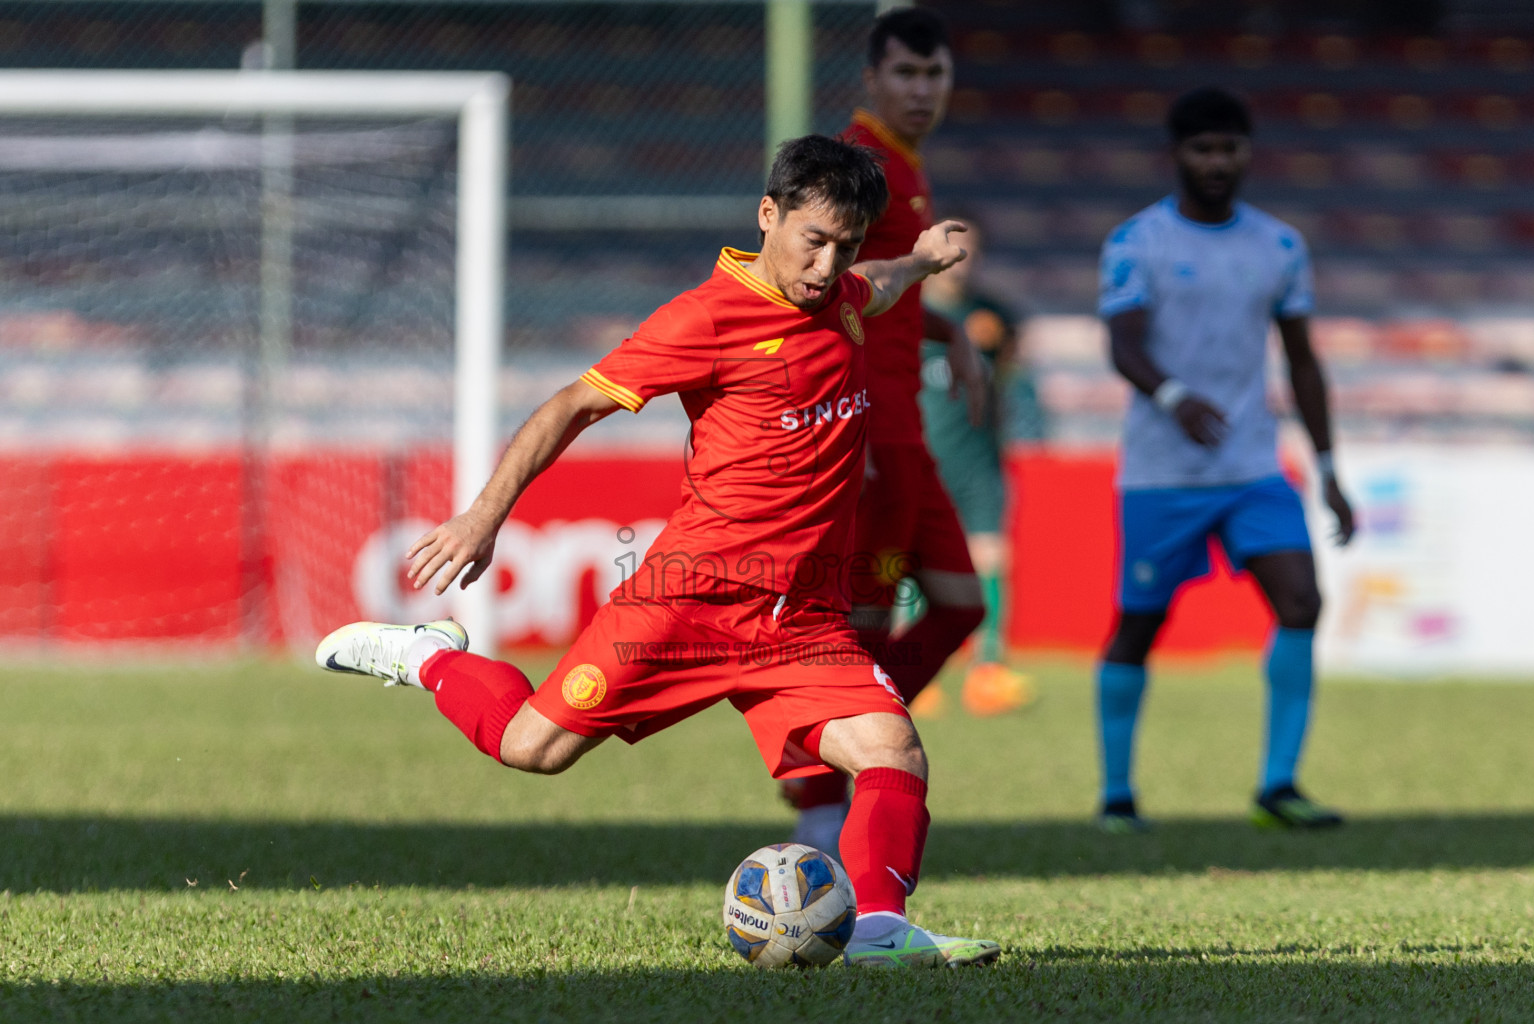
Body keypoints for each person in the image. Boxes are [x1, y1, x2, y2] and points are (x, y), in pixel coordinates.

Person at [316, 135, 1001, 968]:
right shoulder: (705, 318)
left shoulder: (846, 295)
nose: (826, 266)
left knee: (893, 748)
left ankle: (881, 932)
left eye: (845, 247)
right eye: (812, 241)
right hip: (687, 603)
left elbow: (879, 285)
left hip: (800, 616)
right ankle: (427, 659)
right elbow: (572, 404)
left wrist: (922, 259)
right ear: (768, 216)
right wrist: (481, 517)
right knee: (532, 749)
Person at [1094, 87, 1355, 834]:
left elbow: (1303, 363)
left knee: (1302, 602)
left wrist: (1330, 471)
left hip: (1251, 468)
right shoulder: (1136, 243)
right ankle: (1118, 794)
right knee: (1138, 627)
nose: (1216, 162)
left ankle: (1278, 784)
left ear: (1248, 152)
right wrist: (1174, 397)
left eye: (1228, 148)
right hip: (1161, 474)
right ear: (1176, 155)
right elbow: (1124, 344)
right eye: (1202, 149)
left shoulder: (1278, 246)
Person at [784, 5, 991, 857]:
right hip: (870, 432)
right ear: (872, 78)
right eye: (905, 73)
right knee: (858, 626)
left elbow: (886, 292)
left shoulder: (905, 167)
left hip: (910, 434)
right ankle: (818, 799)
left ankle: (835, 749)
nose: (921, 89)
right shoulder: (861, 164)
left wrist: (952, 338)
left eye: (934, 74)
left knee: (960, 605)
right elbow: (834, 285)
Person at [917, 215, 1042, 717]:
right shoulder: (901, 310)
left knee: (991, 559)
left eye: (969, 250)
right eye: (951, 247)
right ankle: (918, 674)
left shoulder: (994, 315)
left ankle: (987, 671)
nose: (958, 261)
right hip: (921, 458)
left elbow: (1011, 369)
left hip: (979, 460)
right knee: (910, 567)